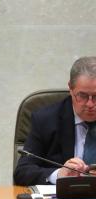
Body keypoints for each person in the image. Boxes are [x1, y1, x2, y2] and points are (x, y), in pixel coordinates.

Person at [14, 56, 96, 186]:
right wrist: (59, 174)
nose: (90, 104)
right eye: (83, 96)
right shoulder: (46, 120)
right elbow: (22, 172)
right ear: (70, 87)